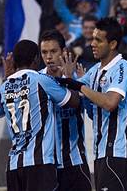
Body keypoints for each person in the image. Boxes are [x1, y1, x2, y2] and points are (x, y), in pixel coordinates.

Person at [57, 17, 127, 191]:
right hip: (101, 152)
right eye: (92, 38)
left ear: (113, 44)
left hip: (118, 151)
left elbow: (110, 103)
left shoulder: (123, 67)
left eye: (98, 40)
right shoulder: (94, 71)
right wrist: (69, 78)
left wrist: (79, 84)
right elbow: (76, 94)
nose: (92, 43)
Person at [0, 40, 79, 191]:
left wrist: (6, 78)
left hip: (14, 166)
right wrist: (69, 77)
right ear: (36, 59)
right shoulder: (41, 80)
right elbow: (74, 101)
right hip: (40, 164)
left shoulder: (4, 87)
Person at [39, 30, 91, 191]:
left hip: (76, 161)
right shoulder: (37, 80)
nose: (48, 57)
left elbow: (91, 112)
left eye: (53, 51)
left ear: (63, 52)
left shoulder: (78, 78)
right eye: (44, 52)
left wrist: (72, 81)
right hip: (48, 164)